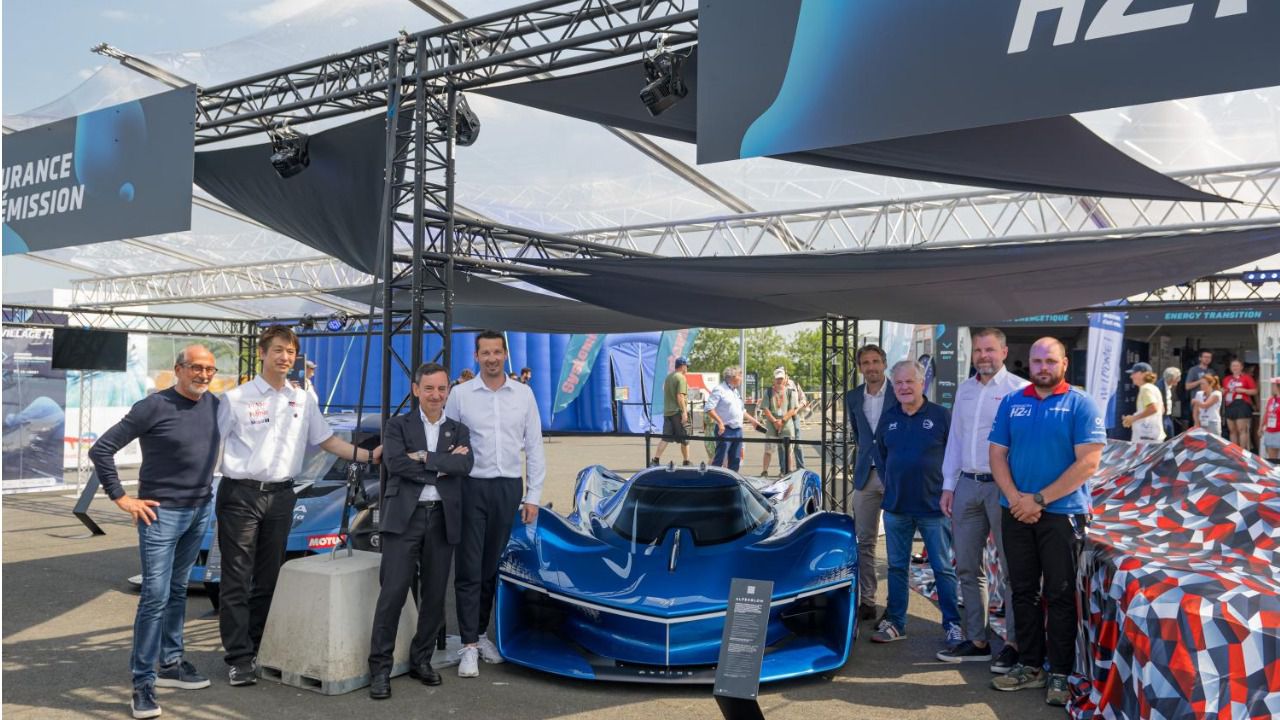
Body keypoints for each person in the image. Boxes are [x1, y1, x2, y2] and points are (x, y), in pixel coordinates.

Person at [216, 326, 382, 687]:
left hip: (282, 495)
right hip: (240, 496)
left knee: (269, 576)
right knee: (236, 578)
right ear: (262, 353)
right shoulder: (235, 399)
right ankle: (238, 657)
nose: (285, 358)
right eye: (278, 350)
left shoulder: (302, 399)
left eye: (290, 352)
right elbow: (212, 446)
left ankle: (259, 646)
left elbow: (326, 440)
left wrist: (369, 455)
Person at [89, 345, 222, 719]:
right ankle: (142, 683)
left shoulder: (214, 405)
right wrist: (122, 498)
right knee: (155, 596)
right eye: (196, 368)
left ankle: (172, 663)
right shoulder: (152, 407)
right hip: (160, 515)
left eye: (210, 369)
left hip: (200, 510)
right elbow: (102, 450)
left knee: (178, 591)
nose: (204, 375)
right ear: (177, 369)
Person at [988, 337, 1105, 706]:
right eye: (1037, 361)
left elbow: (1088, 462)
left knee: (1059, 593)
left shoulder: (1081, 403)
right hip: (1016, 512)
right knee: (1022, 590)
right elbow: (996, 454)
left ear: (1064, 363)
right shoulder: (1012, 401)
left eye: (1050, 361)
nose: (1042, 367)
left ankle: (1059, 672)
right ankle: (1029, 665)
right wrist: (1016, 500)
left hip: (1062, 514)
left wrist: (1038, 499)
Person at [368, 363, 473, 700]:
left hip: (442, 518)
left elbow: (464, 466)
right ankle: (380, 669)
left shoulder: (458, 430)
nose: (436, 395)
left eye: (442, 389)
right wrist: (441, 466)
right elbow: (395, 463)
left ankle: (421, 660)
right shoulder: (397, 425)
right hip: (404, 518)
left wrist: (426, 457)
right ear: (415, 390)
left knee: (433, 597)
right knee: (393, 594)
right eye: (429, 388)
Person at [445, 330, 546, 679]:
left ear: (505, 355)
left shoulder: (523, 394)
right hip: (471, 487)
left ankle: (481, 635)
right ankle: (468, 646)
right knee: (469, 567)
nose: (491, 358)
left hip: (507, 490)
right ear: (476, 357)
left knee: (490, 567)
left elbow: (534, 446)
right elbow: (446, 440)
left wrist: (533, 495)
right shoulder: (459, 395)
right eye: (484, 352)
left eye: (496, 352)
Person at [936, 328, 1027, 672]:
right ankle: (977, 640)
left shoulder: (1019, 390)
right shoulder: (965, 390)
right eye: (978, 350)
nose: (983, 356)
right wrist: (949, 485)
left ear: (1004, 352)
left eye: (990, 349)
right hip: (967, 486)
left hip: (1004, 490)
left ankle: (1014, 644)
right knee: (968, 567)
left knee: (1012, 569)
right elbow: (956, 441)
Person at [868, 360, 959, 649]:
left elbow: (954, 457)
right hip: (896, 508)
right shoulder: (888, 418)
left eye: (910, 382)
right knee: (896, 567)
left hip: (934, 508)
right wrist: (890, 483)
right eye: (899, 383)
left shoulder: (941, 416)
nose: (904, 387)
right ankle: (896, 623)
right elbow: (881, 456)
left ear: (923, 384)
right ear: (893, 387)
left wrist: (948, 491)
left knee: (943, 568)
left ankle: (953, 625)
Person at [844, 344, 898, 621]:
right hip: (866, 475)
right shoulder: (853, 397)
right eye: (866, 363)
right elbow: (859, 434)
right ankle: (867, 599)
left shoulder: (899, 391)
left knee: (898, 541)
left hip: (895, 474)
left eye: (876, 361)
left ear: (884, 363)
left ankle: (896, 604)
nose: (871, 367)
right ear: (860, 367)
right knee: (864, 540)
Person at [705, 366, 764, 472]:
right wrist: (720, 422)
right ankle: (714, 483)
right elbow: (709, 408)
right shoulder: (720, 389)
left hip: (738, 430)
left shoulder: (735, 391)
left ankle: (732, 483)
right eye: (740, 375)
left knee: (735, 460)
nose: (741, 378)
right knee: (720, 459)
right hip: (725, 430)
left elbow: (741, 410)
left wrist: (753, 421)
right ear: (732, 377)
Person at [651, 357, 692, 467]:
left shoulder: (669, 377)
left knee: (665, 438)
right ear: (682, 366)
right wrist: (684, 412)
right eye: (687, 366)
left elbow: (665, 390)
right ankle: (686, 461)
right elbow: (680, 396)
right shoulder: (681, 378)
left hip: (667, 412)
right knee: (685, 437)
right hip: (677, 412)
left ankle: (655, 460)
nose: (687, 368)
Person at [760, 368, 801, 476]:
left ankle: (789, 472)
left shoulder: (790, 392)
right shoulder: (768, 392)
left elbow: (792, 409)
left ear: (785, 379)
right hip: (771, 424)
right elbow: (765, 408)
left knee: (788, 450)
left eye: (781, 378)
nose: (779, 380)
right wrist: (774, 421)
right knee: (769, 449)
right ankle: (765, 471)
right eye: (777, 378)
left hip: (786, 424)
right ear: (774, 379)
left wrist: (782, 421)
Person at [1121, 362, 1166, 442]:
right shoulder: (1154, 388)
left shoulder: (1145, 389)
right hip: (1154, 435)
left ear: (1141, 374)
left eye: (1133, 373)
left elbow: (1153, 408)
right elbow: (1161, 410)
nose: (1131, 376)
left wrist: (1134, 418)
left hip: (1145, 437)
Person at [1222, 359, 1257, 451]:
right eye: (1233, 366)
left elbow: (1255, 391)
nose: (1235, 368)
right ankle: (1234, 452)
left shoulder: (1247, 377)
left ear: (1241, 367)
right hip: (1230, 404)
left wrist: (1244, 390)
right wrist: (1223, 391)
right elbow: (1224, 391)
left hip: (1242, 403)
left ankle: (1242, 451)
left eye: (1237, 366)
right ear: (1230, 367)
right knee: (1232, 430)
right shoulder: (1227, 379)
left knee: (1241, 429)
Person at [1184, 350, 1214, 426]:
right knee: (1195, 425)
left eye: (1209, 357)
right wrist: (1200, 381)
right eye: (1205, 357)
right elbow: (1187, 386)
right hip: (1196, 402)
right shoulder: (1193, 370)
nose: (1207, 359)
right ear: (1200, 358)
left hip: (1209, 403)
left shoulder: (1212, 371)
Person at [788, 376, 810, 470]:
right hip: (782, 419)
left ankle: (801, 468)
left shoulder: (794, 384)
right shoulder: (776, 386)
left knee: (797, 443)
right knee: (783, 445)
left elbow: (803, 399)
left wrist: (797, 409)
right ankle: (784, 469)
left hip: (794, 417)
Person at [1192, 372, 1224, 437]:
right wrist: (1196, 422)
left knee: (1214, 443)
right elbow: (1196, 410)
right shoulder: (1199, 393)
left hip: (1213, 422)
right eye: (1201, 384)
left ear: (1210, 384)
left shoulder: (1216, 394)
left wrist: (1196, 401)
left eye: (1203, 384)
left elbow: (1205, 405)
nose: (1201, 385)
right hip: (1202, 421)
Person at [1261, 377, 1280, 461]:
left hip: (1279, 431)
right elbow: (1266, 414)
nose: (1272, 387)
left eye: (1273, 385)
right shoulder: (1271, 399)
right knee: (1272, 459)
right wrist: (1261, 426)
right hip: (1270, 430)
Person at [1161, 367, 1182, 438]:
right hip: (1162, 417)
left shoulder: (1169, 386)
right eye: (1177, 378)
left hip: (1168, 416)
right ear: (1171, 378)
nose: (1179, 380)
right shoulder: (1160, 386)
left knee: (1170, 438)